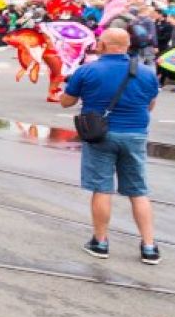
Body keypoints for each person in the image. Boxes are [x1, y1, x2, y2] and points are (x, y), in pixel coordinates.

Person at [60, 27, 161, 264]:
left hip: (100, 136)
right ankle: (149, 246)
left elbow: (66, 102)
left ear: (103, 45)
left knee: (102, 188)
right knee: (138, 191)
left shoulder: (87, 70)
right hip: (135, 134)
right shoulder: (146, 73)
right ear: (127, 46)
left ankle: (101, 242)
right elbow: (150, 105)